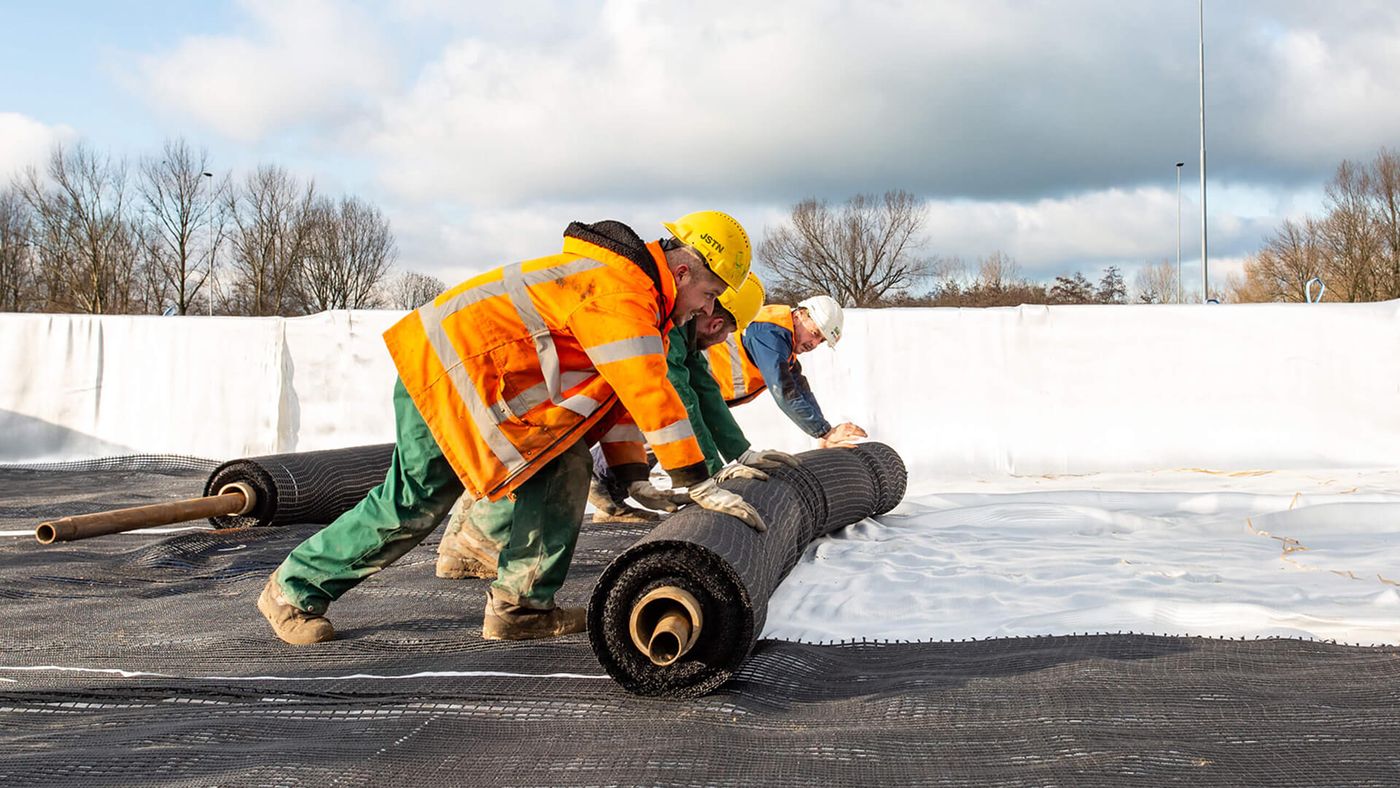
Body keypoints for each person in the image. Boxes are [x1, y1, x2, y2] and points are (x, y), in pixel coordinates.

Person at [257, 212, 766, 645]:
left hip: (474, 384)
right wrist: (694, 479)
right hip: (446, 377)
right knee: (414, 501)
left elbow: (618, 399)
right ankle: (292, 590)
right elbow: (647, 390)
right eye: (709, 293)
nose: (707, 308)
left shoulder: (634, 296)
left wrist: (632, 474)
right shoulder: (620, 292)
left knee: (565, 464)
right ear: (682, 271)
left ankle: (521, 609)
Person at [435, 273, 799, 581]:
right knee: (546, 455)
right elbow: (679, 398)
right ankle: (473, 547)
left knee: (541, 451)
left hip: (531, 376)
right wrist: (708, 475)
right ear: (715, 321)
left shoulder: (682, 332)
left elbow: (703, 390)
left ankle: (464, 547)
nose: (722, 341)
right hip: (515, 372)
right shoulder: (665, 325)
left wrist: (740, 453)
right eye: (726, 332)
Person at [707, 295, 867, 448]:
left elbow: (801, 390)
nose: (814, 344)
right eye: (815, 333)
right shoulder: (769, 334)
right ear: (799, 315)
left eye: (821, 341)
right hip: (695, 390)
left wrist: (825, 433)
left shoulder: (785, 343)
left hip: (706, 399)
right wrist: (825, 432)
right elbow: (784, 391)